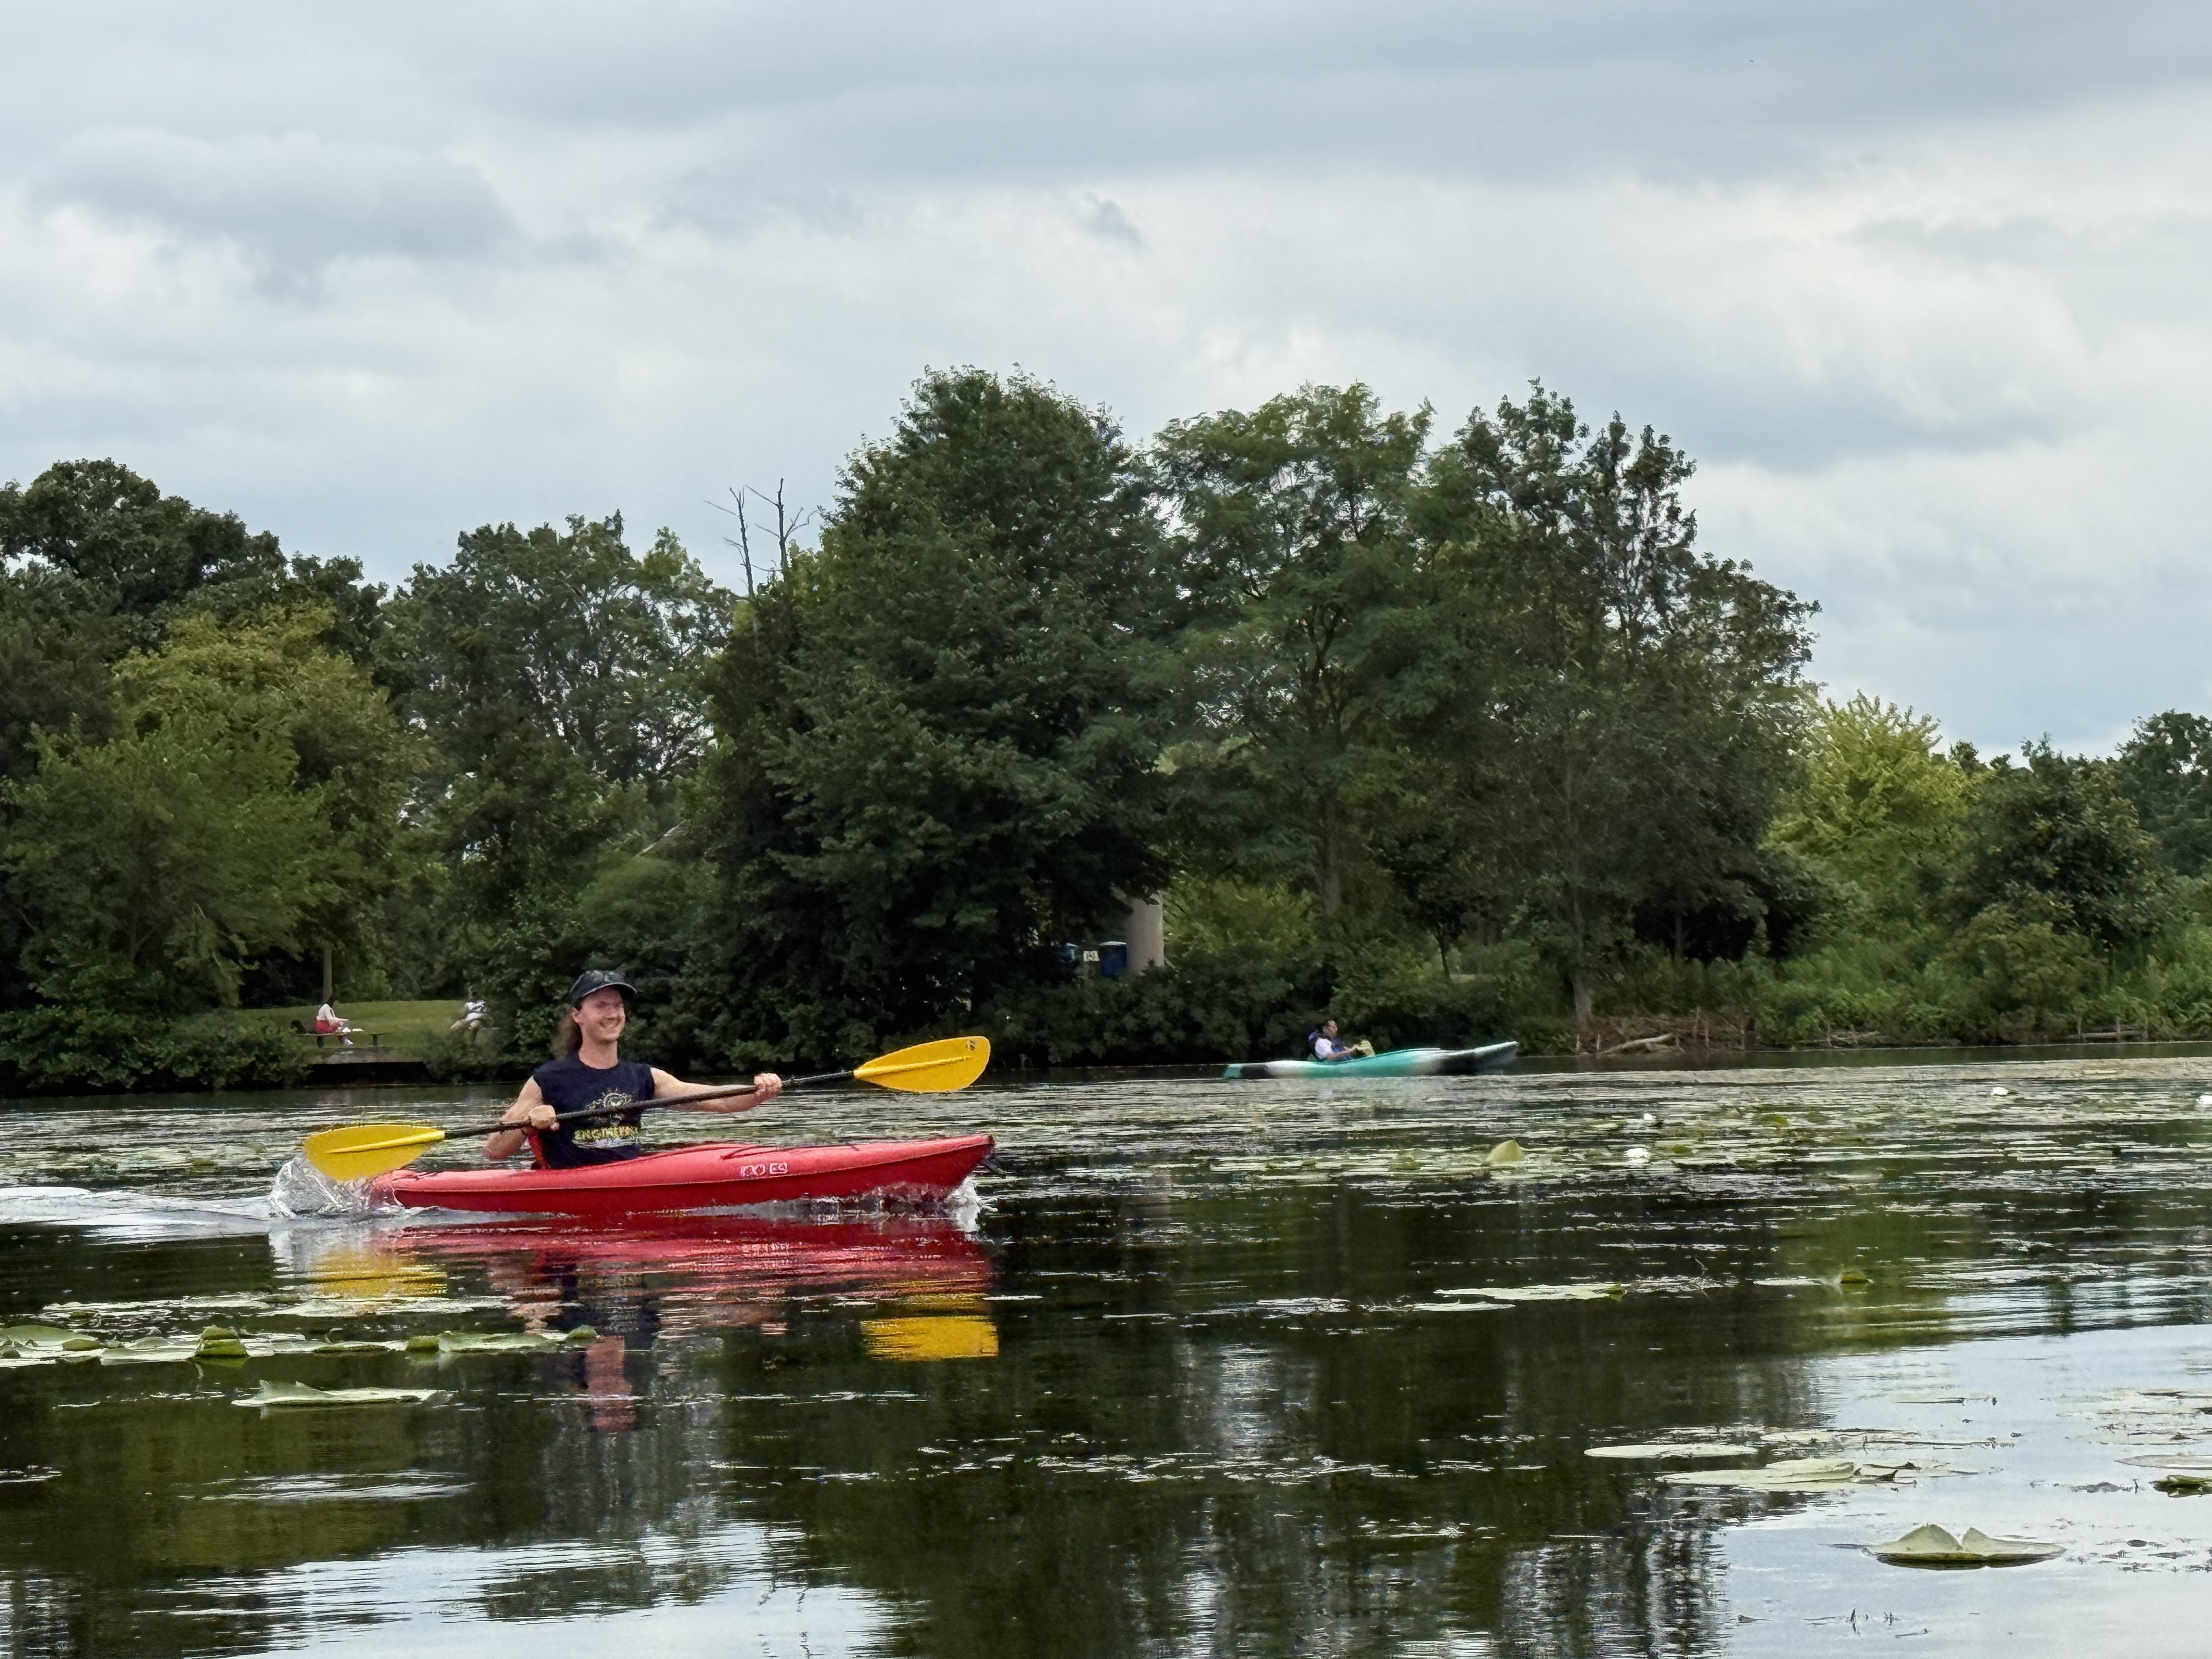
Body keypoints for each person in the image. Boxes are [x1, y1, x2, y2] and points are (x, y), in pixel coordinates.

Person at [485, 969, 783, 1169]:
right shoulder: (548, 1079)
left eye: (617, 1006)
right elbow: (494, 1150)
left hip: (625, 1183)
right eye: (601, 1005)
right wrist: (529, 1121)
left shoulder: (644, 1077)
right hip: (571, 1194)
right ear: (578, 1015)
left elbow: (717, 1099)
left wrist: (758, 1091)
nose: (613, 1014)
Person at [1308, 1019, 1375, 1062]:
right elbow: (1331, 1057)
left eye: (1336, 1027)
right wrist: (1347, 1052)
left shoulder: (1329, 1038)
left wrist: (1352, 1049)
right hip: (1330, 1065)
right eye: (1334, 1028)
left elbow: (1337, 1048)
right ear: (1325, 1029)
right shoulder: (1321, 1042)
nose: (1336, 1030)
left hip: (1342, 1062)